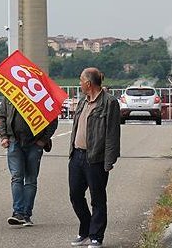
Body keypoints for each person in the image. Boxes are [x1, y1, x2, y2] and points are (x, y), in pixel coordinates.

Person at [68, 68, 120, 247]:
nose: (79, 83)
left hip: (95, 158)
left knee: (97, 198)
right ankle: (86, 229)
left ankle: (96, 235)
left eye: (81, 80)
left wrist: (109, 160)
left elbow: (112, 133)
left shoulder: (109, 102)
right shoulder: (83, 101)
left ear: (89, 83)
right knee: (75, 195)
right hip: (77, 155)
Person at [0, 96, 58, 227]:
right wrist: (3, 136)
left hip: (34, 143)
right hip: (14, 141)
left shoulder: (41, 94)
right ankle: (18, 213)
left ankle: (26, 214)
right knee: (16, 177)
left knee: (30, 179)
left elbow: (53, 119)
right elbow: (2, 117)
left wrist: (43, 140)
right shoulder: (10, 93)